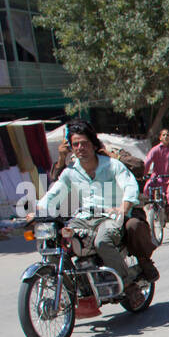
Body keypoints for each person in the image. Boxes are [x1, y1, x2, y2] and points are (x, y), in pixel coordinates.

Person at [36, 120, 159, 290]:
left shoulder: (112, 164)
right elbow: (55, 192)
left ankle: (127, 284)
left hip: (111, 216)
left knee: (102, 242)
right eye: (75, 144)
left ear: (94, 145)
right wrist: (39, 208)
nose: (80, 148)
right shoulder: (70, 172)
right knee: (55, 242)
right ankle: (70, 288)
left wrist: (123, 207)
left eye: (84, 143)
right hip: (85, 218)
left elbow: (130, 185)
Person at [143, 128, 169, 233]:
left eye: (168, 135)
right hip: (157, 179)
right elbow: (148, 160)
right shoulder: (155, 149)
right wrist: (144, 172)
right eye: (164, 135)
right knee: (150, 193)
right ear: (160, 137)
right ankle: (156, 213)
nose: (166, 137)